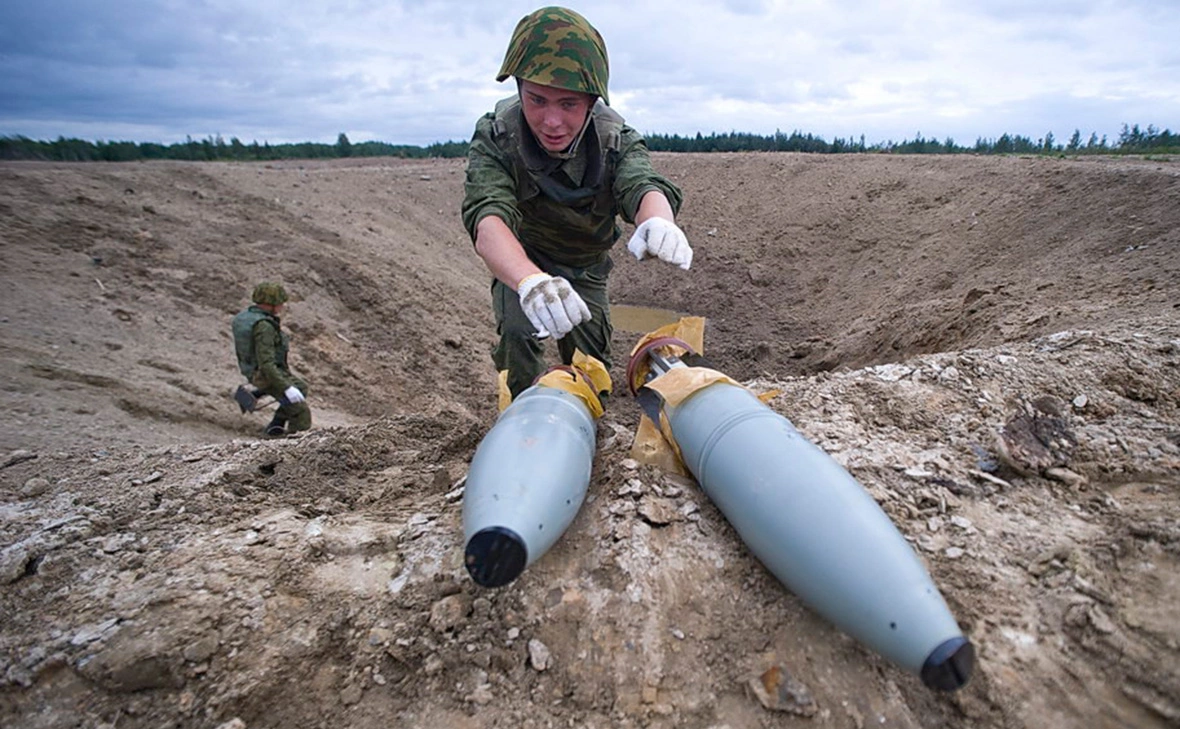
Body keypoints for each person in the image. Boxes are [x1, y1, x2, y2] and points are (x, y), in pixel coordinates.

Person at [461, 5, 694, 401]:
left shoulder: (613, 138)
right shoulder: (497, 137)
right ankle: (522, 429)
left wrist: (658, 221)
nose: (551, 121)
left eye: (568, 104)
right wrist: (530, 282)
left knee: (591, 367)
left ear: (590, 102)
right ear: (518, 90)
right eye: (537, 100)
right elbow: (488, 216)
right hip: (523, 261)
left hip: (585, 268)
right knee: (518, 345)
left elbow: (640, 183)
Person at [231, 282, 311, 436]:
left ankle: (275, 425)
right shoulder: (264, 327)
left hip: (260, 370)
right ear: (270, 304)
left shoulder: (249, 317)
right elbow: (266, 363)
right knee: (301, 414)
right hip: (265, 374)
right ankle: (289, 444)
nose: (282, 307)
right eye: (280, 303)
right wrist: (286, 387)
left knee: (301, 388)